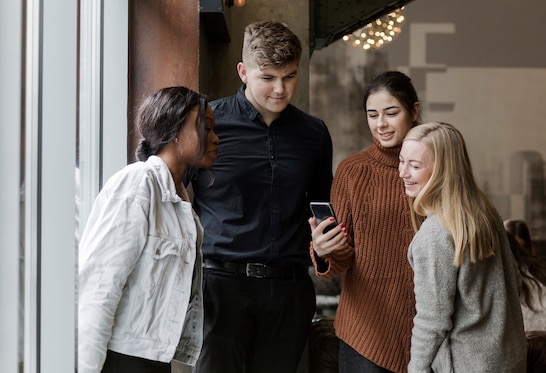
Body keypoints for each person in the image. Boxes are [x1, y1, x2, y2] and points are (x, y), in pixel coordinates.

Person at [190, 20, 334, 372]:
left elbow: (321, 207)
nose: (281, 89)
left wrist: (326, 241)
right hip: (219, 288)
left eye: (289, 76)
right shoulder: (207, 124)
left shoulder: (314, 134)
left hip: (289, 290)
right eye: (268, 77)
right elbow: (176, 197)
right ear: (243, 71)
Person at [78, 86, 219, 373]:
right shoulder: (137, 185)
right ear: (175, 130)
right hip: (120, 359)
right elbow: (100, 286)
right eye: (206, 127)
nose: (216, 138)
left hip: (154, 360)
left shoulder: (181, 204)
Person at [309, 71, 420, 373]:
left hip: (429, 328)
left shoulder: (436, 168)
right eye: (372, 115)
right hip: (365, 332)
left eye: (391, 113)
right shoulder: (352, 171)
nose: (381, 124)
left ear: (415, 110)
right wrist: (323, 248)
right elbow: (342, 258)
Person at [399, 122, 527, 373]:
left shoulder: (435, 233)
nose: (403, 172)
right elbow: (515, 283)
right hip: (508, 361)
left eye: (415, 166)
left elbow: (432, 319)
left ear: (443, 171)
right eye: (402, 161)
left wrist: (416, 370)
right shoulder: (484, 213)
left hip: (466, 364)